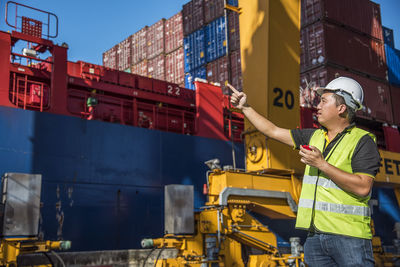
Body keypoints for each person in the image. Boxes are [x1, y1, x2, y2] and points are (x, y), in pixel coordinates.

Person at [228, 77, 380, 267]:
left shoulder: (363, 141)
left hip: (349, 238)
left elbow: (363, 187)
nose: (318, 105)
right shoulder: (314, 136)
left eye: (324, 101)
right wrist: (245, 107)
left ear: (342, 108)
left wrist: (321, 164)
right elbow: (273, 131)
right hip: (315, 238)